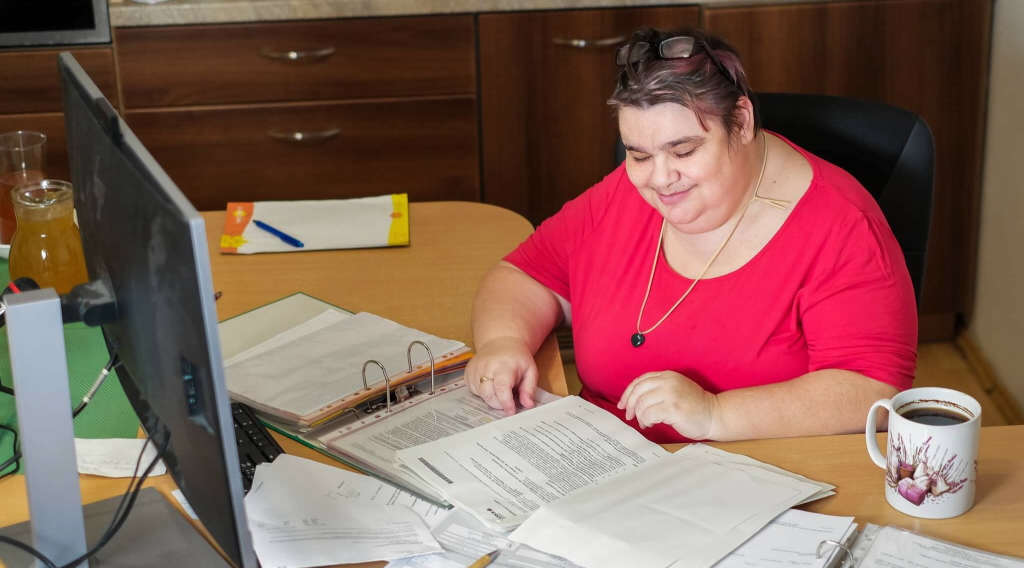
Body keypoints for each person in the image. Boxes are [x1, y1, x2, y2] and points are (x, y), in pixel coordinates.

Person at [465, 27, 918, 444]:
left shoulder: (842, 226)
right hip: (601, 461)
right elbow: (527, 275)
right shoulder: (625, 192)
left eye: (683, 150)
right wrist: (504, 343)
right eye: (639, 155)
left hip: (759, 475)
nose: (661, 179)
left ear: (741, 122)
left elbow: (873, 391)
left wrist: (716, 414)